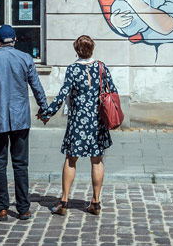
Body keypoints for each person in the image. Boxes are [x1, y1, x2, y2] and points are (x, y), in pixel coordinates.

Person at [0, 25, 48, 221]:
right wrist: (44, 109)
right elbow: (37, 86)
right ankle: (23, 208)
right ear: (15, 40)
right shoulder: (25, 58)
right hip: (20, 120)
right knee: (21, 165)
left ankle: (2, 207)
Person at [39, 36, 116, 216]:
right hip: (97, 121)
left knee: (70, 159)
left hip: (78, 121)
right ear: (92, 49)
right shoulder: (101, 67)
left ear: (76, 50)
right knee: (97, 160)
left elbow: (62, 94)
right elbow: (113, 90)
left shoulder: (73, 69)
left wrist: (47, 113)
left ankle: (64, 201)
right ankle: (96, 202)